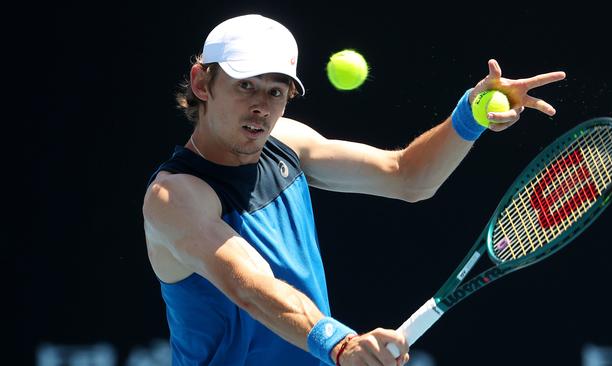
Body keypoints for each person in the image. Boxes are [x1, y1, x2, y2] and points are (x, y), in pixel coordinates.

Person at [141, 13, 566, 366]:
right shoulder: (175, 196)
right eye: (245, 86)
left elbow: (408, 176)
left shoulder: (286, 141)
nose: (261, 107)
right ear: (201, 83)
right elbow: (250, 286)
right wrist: (341, 344)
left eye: (276, 91)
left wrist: (471, 116)